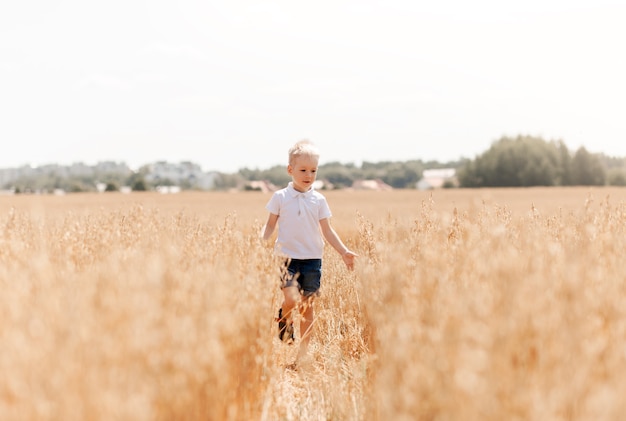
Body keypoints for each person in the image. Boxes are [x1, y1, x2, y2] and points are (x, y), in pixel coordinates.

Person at [262, 140, 357, 365]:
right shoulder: (280, 197)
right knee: (291, 299)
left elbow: (327, 230)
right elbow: (269, 225)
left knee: (307, 306)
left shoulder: (319, 200)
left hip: (313, 260)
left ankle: (302, 355)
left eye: (313, 170)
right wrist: (260, 243)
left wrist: (344, 252)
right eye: (303, 170)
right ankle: (284, 318)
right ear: (290, 170)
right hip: (286, 258)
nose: (308, 175)